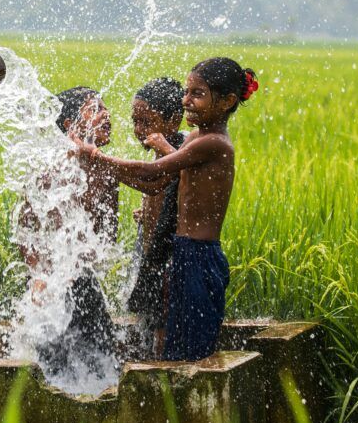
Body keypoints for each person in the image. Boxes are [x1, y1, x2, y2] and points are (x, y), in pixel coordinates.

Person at [73, 58, 258, 361]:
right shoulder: (197, 138)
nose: (187, 100)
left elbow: (150, 171)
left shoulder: (214, 143)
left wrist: (95, 156)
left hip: (200, 255)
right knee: (176, 343)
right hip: (184, 252)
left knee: (192, 350)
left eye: (198, 94)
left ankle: (188, 404)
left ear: (227, 101)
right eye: (187, 91)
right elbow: (156, 182)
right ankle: (173, 402)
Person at [26, 86, 119, 375]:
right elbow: (26, 230)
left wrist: (84, 259)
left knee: (101, 361)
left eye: (105, 107)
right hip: (49, 285)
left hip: (83, 281)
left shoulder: (106, 170)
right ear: (70, 125)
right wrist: (39, 275)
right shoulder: (50, 170)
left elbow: (109, 233)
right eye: (95, 109)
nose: (106, 115)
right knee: (51, 367)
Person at [126, 77, 186, 357]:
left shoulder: (181, 150)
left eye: (146, 122)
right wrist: (147, 212)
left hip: (167, 255)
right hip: (151, 251)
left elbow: (191, 186)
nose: (139, 130)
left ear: (173, 121)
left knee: (163, 319)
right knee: (149, 317)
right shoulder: (160, 152)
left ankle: (159, 374)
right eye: (135, 121)